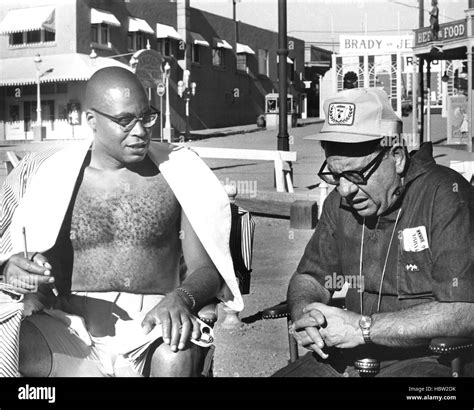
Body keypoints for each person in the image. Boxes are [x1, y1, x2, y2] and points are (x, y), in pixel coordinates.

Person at [0, 66, 243, 377]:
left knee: (173, 355)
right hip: (69, 327)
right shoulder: (53, 178)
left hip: (152, 326)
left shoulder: (177, 175)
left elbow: (207, 271)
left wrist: (182, 298)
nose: (140, 131)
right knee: (9, 343)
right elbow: (13, 254)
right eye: (125, 120)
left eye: (146, 117)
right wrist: (13, 267)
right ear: (91, 120)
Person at [273, 87, 473, 377]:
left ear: (397, 156)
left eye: (356, 175)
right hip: (346, 359)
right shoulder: (339, 203)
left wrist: (361, 328)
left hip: (426, 361)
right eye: (335, 174)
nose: (344, 189)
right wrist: (307, 312)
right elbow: (311, 277)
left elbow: (465, 309)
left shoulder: (445, 196)